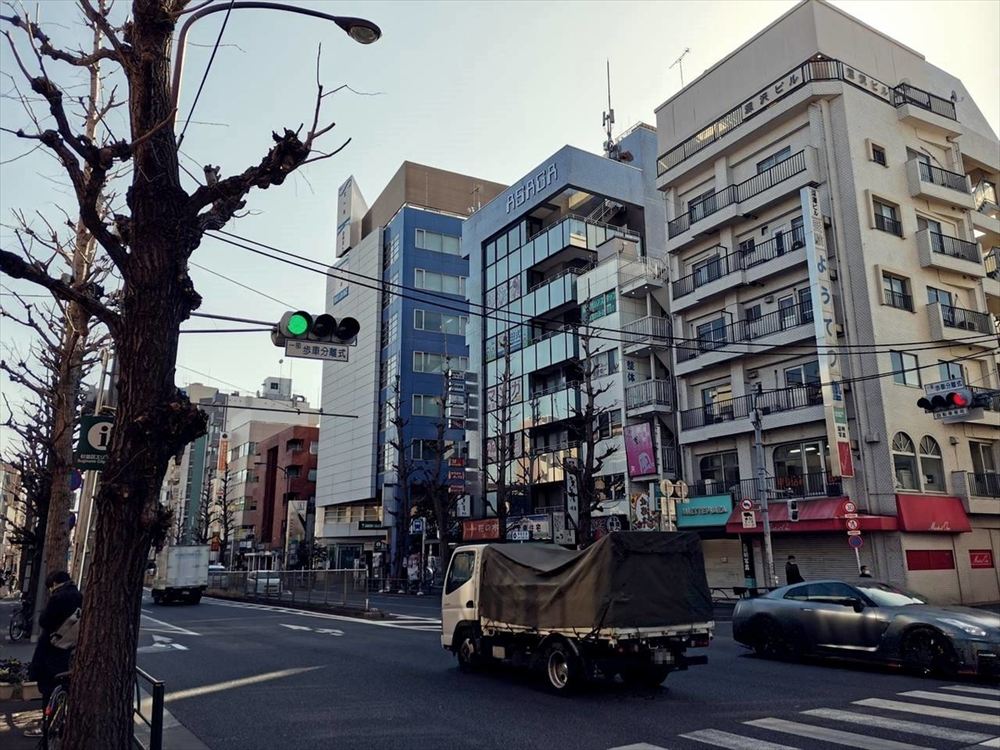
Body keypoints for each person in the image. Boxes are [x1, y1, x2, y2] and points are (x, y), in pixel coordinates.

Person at [25, 571, 82, 738]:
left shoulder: (58, 598)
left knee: (48, 686)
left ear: (55, 583)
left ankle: (48, 724)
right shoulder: (79, 596)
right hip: (69, 647)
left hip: (52, 646)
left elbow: (44, 621)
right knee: (63, 684)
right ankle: (61, 720)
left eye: (51, 586)